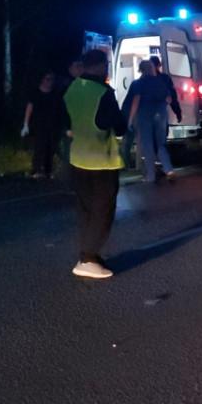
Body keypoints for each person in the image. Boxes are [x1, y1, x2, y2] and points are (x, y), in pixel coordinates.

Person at [62, 49, 127, 279]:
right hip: (101, 161)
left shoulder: (72, 88)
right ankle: (88, 258)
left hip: (77, 158)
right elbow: (118, 126)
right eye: (105, 66)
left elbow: (66, 119)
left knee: (86, 211)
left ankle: (88, 254)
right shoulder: (103, 92)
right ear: (100, 66)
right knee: (103, 211)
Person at [127, 60, 178, 183]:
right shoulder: (160, 82)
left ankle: (150, 175)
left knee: (147, 145)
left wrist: (130, 119)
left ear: (140, 70)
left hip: (144, 115)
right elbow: (169, 99)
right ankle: (168, 169)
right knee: (161, 143)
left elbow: (136, 101)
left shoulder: (138, 83)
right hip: (160, 114)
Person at [22, 71, 67, 179]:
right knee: (39, 147)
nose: (50, 82)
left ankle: (48, 170)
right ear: (42, 80)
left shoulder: (55, 94)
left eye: (52, 79)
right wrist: (26, 124)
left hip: (52, 124)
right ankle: (36, 169)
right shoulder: (36, 93)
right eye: (48, 79)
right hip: (38, 124)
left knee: (50, 147)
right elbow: (29, 108)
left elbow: (60, 109)